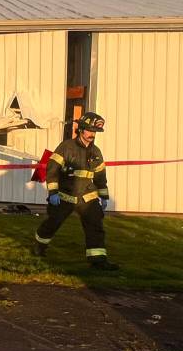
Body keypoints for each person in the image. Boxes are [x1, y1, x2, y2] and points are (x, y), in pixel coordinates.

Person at [32, 112, 118, 270]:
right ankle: (40, 245)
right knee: (53, 223)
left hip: (87, 196)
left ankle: (98, 260)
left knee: (95, 226)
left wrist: (103, 196)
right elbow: (52, 170)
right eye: (90, 130)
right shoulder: (66, 147)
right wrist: (53, 193)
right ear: (81, 130)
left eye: (95, 132)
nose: (92, 134)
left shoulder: (96, 152)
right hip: (65, 195)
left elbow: (100, 176)